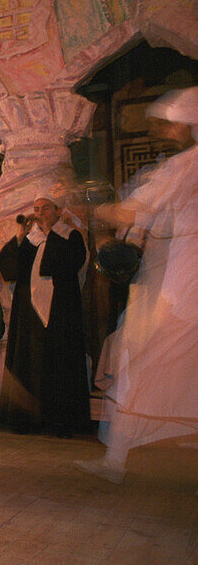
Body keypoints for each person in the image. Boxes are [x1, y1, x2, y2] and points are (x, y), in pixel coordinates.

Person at [76, 87, 198, 483]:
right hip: (175, 278)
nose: (164, 130)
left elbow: (134, 210)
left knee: (142, 364)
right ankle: (116, 460)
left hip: (183, 285)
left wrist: (93, 208)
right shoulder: (181, 167)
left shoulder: (185, 165)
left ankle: (115, 462)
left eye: (170, 123)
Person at [0, 191, 89, 437]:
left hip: (60, 311)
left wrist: (51, 233)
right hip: (29, 313)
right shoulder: (31, 239)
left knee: (59, 362)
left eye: (45, 208)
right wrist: (19, 237)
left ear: (58, 211)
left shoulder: (70, 236)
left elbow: (67, 265)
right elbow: (9, 269)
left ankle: (60, 421)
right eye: (36, 209)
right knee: (30, 360)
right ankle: (26, 419)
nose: (39, 214)